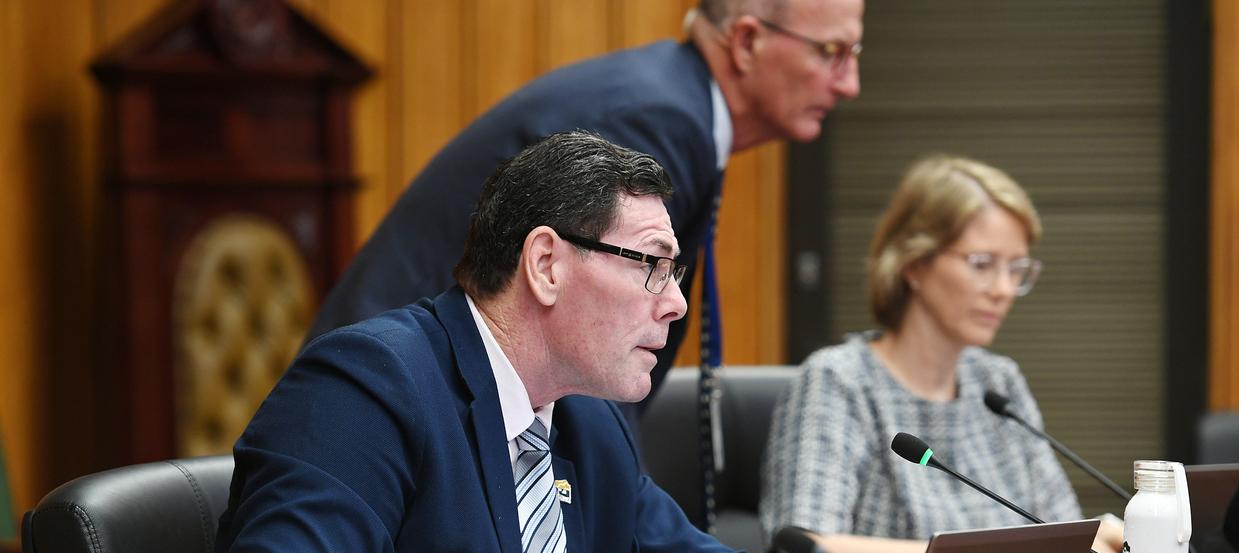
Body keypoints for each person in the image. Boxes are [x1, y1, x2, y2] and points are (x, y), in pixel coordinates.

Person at [183, 134, 1139, 553]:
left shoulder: (581, 425)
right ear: (547, 265)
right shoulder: (371, 384)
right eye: (650, 265)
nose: (675, 304)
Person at [305, 0, 865, 404]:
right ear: (746, 42)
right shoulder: (654, 120)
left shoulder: (675, 105)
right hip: (393, 400)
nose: (850, 84)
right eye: (832, 53)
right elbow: (588, 339)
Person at [760, 155, 1124, 553]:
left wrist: (1108, 540)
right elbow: (807, 552)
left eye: (1016, 269)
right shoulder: (839, 380)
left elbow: (1059, 531)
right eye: (982, 263)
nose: (1004, 290)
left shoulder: (999, 383)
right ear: (914, 263)